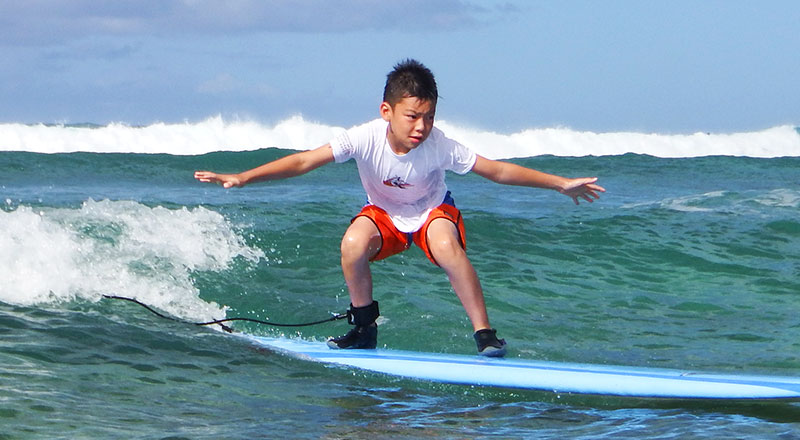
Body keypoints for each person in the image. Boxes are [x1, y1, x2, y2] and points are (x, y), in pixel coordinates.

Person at [194, 59, 605, 357]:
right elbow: (303, 161)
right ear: (386, 111)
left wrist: (559, 184)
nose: (421, 127)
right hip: (386, 215)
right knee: (353, 243)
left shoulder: (439, 144)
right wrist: (244, 177)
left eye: (428, 117)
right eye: (412, 117)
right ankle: (364, 328)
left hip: (431, 212)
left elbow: (496, 171)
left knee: (446, 246)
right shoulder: (363, 138)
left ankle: (485, 335)